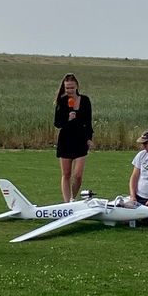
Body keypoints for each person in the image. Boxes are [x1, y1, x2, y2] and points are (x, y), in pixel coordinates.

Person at [53, 72, 94, 201]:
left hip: (80, 140)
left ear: (77, 86)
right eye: (67, 88)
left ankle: (72, 197)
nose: (69, 90)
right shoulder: (62, 101)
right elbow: (57, 123)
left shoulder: (85, 100)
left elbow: (88, 122)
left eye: (71, 87)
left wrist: (89, 138)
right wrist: (68, 118)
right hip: (65, 140)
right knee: (66, 174)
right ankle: (67, 202)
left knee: (78, 175)